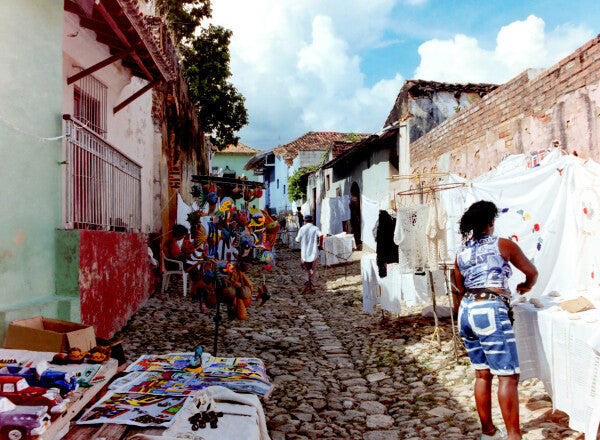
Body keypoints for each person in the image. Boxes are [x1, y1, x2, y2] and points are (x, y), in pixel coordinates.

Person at [455, 201, 538, 440]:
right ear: (490, 223)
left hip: (467, 311)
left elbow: (460, 287)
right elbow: (531, 272)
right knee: (508, 376)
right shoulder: (503, 244)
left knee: (482, 374)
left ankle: (488, 432)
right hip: (490, 309)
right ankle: (514, 436)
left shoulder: (462, 252)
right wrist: (526, 286)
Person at [295, 214, 323, 293]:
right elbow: (321, 236)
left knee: (304, 269)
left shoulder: (302, 229)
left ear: (304, 221)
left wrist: (297, 239)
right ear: (312, 221)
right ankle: (312, 287)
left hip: (304, 253)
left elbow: (297, 240)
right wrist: (320, 245)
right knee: (312, 270)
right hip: (314, 252)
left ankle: (306, 281)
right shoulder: (315, 228)